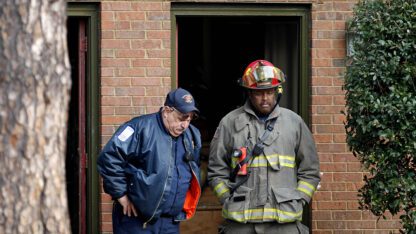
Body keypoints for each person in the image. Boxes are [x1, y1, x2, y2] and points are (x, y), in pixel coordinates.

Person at [208, 60, 320, 234]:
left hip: (284, 224)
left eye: (269, 92)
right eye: (259, 93)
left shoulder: (294, 123)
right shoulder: (229, 123)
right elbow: (216, 169)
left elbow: (310, 171)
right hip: (241, 224)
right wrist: (226, 198)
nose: (265, 98)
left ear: (277, 91)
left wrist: (299, 199)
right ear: (249, 94)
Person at [97, 88, 202, 234]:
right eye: (181, 118)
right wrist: (120, 194)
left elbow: (193, 168)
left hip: (171, 222)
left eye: (190, 119)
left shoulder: (192, 135)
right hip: (136, 220)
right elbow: (109, 158)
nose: (185, 125)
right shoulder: (139, 128)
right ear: (166, 111)